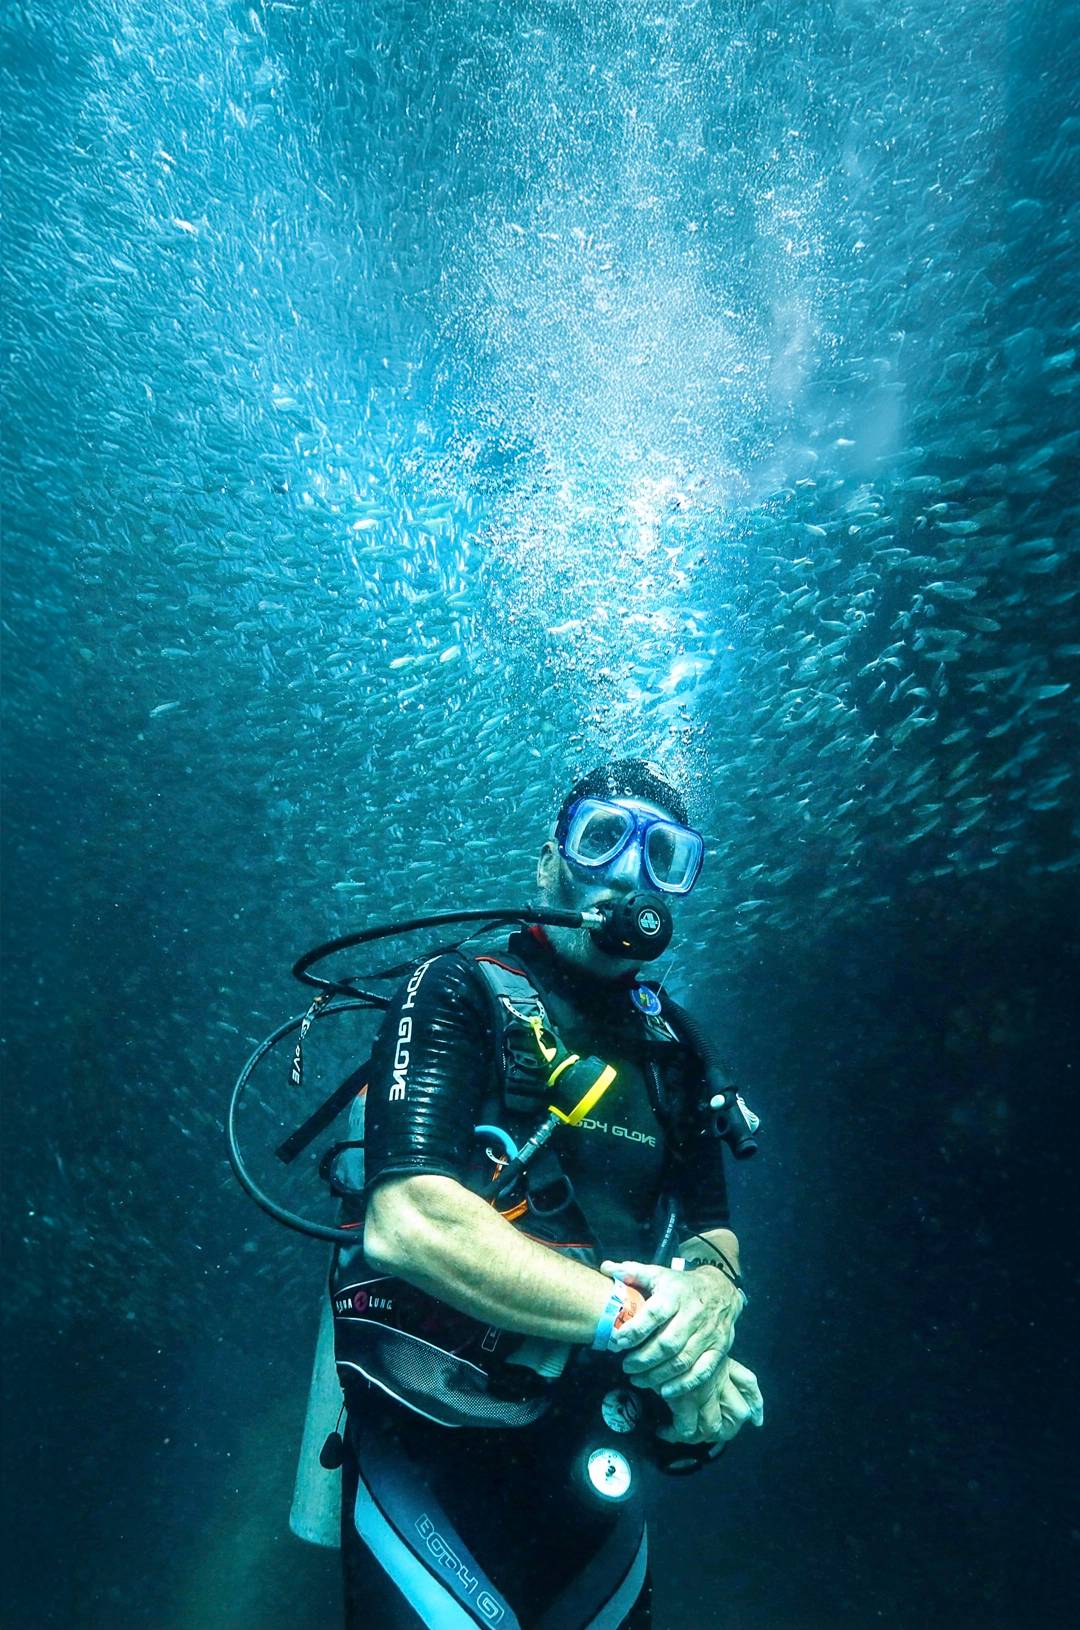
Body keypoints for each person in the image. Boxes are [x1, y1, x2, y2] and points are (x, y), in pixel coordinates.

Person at [328, 758, 764, 1629]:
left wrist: (709, 1315)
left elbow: (712, 1235)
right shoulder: (457, 987)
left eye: (665, 855)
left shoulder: (678, 1052)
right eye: (602, 839)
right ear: (549, 864)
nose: (631, 875)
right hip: (434, 1463)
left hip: (600, 1468)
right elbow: (408, 1220)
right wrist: (641, 1323)